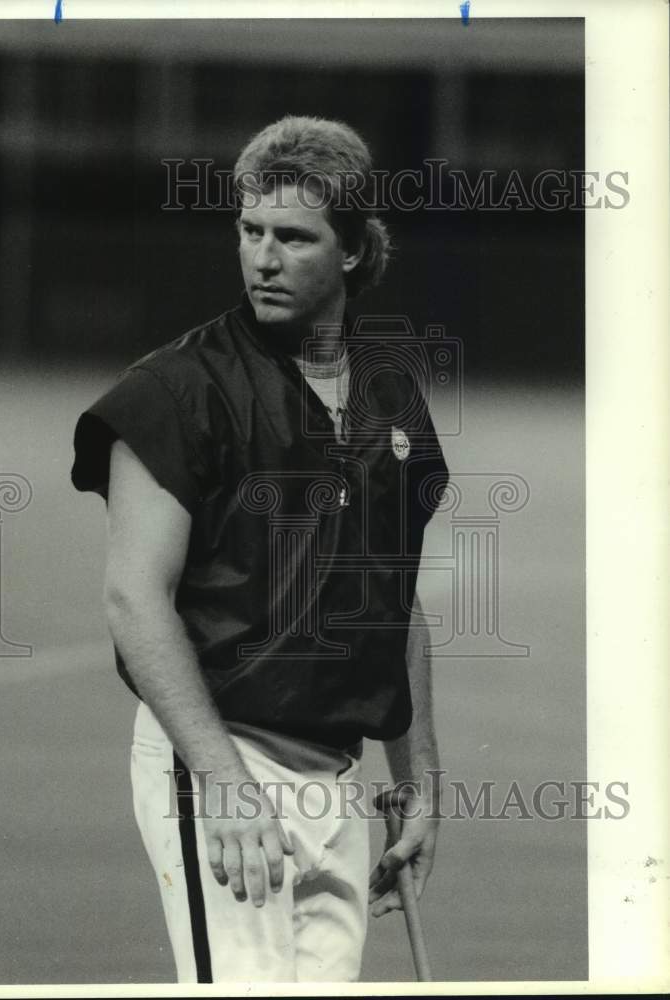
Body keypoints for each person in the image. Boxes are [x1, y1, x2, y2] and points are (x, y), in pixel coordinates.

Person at [71, 115, 448, 983]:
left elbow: (395, 599)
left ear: (351, 250)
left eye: (293, 237)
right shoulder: (174, 392)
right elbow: (135, 598)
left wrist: (420, 779)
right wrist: (225, 784)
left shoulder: (391, 393)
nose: (263, 258)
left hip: (337, 774)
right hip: (220, 759)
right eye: (250, 231)